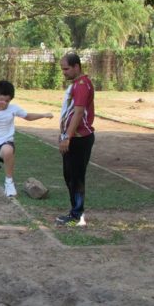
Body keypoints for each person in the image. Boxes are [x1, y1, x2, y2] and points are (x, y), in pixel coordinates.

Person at [0, 80, 53, 197]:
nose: (4, 103)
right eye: (1, 99)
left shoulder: (13, 108)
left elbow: (28, 116)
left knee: (8, 150)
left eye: (7, 101)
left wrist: (43, 115)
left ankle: (9, 181)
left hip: (5, 142)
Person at [56, 52, 95, 227]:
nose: (63, 72)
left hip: (80, 138)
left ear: (76, 67)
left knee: (76, 177)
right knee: (69, 176)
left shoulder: (82, 85)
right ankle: (75, 211)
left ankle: (77, 215)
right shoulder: (76, 85)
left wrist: (67, 137)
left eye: (66, 69)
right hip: (72, 137)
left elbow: (78, 113)